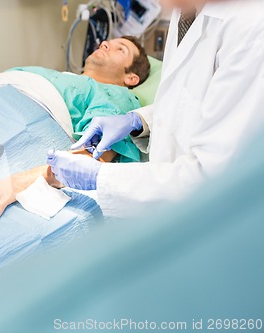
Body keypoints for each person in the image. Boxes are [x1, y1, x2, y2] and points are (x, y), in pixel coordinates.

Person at [47, 0, 264, 218]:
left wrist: (100, 178)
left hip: (208, 216)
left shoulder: (251, 30)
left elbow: (212, 175)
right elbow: (186, 99)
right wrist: (138, 121)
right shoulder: (187, 13)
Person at [0, 36, 150, 223]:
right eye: (109, 42)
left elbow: (95, 155)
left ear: (131, 78)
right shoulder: (64, 77)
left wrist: (17, 183)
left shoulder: (118, 95)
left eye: (121, 49)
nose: (105, 43)